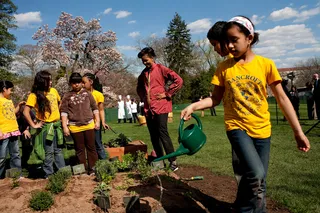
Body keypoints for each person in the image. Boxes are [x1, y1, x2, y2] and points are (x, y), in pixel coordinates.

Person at [181, 16, 310, 213]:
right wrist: (194, 106)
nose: (230, 45)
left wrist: (298, 132)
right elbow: (215, 99)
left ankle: (245, 209)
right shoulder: (224, 68)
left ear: (249, 38)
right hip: (237, 127)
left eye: (235, 40)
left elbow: (282, 99)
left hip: (262, 130)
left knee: (258, 180)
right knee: (256, 174)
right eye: (228, 41)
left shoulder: (265, 65)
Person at [137, 47, 183, 171]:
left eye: (146, 60)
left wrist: (167, 93)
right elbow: (139, 87)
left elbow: (178, 80)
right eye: (143, 61)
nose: (145, 63)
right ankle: (160, 160)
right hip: (149, 108)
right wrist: (143, 97)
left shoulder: (161, 69)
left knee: (162, 132)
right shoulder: (143, 74)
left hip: (161, 106)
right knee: (153, 135)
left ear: (152, 58)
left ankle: (173, 161)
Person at [24, 71, 65, 178]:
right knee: (49, 152)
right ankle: (49, 175)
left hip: (56, 126)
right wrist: (34, 125)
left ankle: (63, 172)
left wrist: (57, 115)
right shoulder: (34, 95)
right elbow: (25, 111)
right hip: (46, 128)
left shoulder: (54, 91)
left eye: (51, 80)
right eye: (48, 80)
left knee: (58, 150)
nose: (51, 82)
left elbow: (59, 103)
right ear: (42, 82)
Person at [60, 72, 100, 175]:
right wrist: (65, 126)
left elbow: (95, 108)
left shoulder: (87, 94)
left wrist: (98, 121)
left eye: (78, 82)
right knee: (79, 150)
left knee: (91, 148)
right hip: (75, 127)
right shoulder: (67, 96)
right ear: (70, 84)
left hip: (89, 125)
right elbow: (64, 112)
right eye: (74, 83)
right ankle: (82, 171)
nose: (76, 84)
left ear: (82, 83)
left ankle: (93, 169)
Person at [82, 73, 109, 160]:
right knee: (88, 144)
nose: (82, 84)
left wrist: (103, 122)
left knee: (97, 143)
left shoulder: (98, 95)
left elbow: (101, 110)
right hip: (84, 123)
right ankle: (92, 162)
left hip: (95, 124)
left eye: (84, 82)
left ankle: (104, 162)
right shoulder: (80, 95)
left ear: (91, 82)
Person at [0, 81, 23, 178]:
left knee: (15, 154)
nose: (11, 92)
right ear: (4, 89)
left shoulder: (9, 100)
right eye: (10, 90)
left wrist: (19, 106)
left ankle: (16, 175)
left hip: (13, 130)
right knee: (2, 156)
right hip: (3, 131)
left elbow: (12, 113)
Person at [16, 102, 35, 169]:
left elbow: (33, 119)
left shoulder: (29, 112)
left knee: (29, 146)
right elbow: (17, 124)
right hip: (21, 130)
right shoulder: (18, 114)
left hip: (27, 129)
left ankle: (25, 162)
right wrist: (24, 130)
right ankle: (23, 163)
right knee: (26, 146)